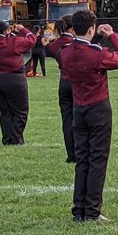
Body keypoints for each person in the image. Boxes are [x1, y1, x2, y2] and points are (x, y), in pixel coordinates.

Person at [59, 9, 118, 222]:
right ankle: (92, 210)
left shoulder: (65, 52)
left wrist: (97, 38)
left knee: (83, 159)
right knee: (98, 161)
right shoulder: (96, 54)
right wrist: (112, 35)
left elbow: (85, 49)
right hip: (98, 108)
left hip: (78, 108)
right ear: (91, 28)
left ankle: (79, 209)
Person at [0, 20, 35, 144]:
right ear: (7, 30)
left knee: (5, 112)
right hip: (14, 78)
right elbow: (32, 40)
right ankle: (16, 138)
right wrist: (22, 29)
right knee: (20, 111)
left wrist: (11, 33)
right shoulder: (13, 41)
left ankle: (7, 138)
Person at [46, 16, 76, 162]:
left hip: (63, 82)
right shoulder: (75, 43)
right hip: (77, 82)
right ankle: (80, 151)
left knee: (67, 119)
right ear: (72, 28)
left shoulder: (54, 45)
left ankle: (71, 154)